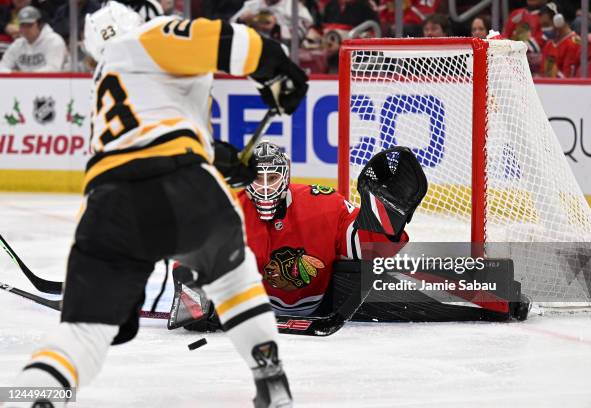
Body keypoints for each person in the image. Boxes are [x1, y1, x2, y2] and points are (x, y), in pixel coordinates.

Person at [9, 2, 308, 407]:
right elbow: (226, 39)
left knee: (82, 333)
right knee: (233, 282)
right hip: (185, 184)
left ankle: (32, 396)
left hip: (108, 203)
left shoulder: (104, 81)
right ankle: (270, 377)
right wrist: (277, 65)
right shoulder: (147, 37)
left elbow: (152, 135)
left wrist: (218, 157)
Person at [173, 141, 412, 322]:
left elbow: (362, 249)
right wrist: (195, 302)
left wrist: (385, 223)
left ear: (286, 175)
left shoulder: (325, 204)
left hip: (323, 306)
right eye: (258, 178)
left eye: (273, 177)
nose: (265, 187)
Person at [0, 5, 67, 72]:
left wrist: (24, 76)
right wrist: (15, 74)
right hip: (23, 81)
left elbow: (53, 69)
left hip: (51, 82)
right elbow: (2, 67)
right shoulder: (17, 44)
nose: (25, 29)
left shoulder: (54, 41)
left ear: (40, 25)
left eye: (29, 25)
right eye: (22, 25)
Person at [231, 0, 314, 43]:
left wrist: (276, 28)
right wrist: (241, 20)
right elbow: (230, 28)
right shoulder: (251, 4)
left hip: (283, 52)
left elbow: (302, 34)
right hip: (252, 49)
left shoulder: (294, 6)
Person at [539, 1, 581, 78]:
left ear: (558, 21)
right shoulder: (549, 44)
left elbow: (568, 79)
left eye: (546, 24)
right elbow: (543, 73)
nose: (544, 29)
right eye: (542, 25)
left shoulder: (574, 44)